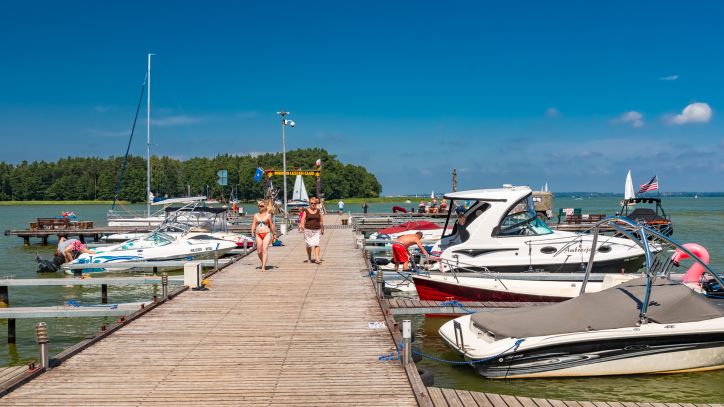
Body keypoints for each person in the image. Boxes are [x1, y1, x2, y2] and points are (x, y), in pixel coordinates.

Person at [251, 200, 276, 271]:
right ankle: (263, 262)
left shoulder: (268, 215)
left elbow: (271, 225)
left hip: (266, 233)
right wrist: (252, 231)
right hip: (258, 234)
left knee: (264, 249)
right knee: (259, 251)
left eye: (261, 206)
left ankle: (263, 267)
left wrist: (274, 234)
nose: (260, 207)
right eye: (259, 206)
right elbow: (253, 224)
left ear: (265, 207)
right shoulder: (256, 215)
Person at [300, 197, 325, 263]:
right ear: (309, 203)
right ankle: (309, 258)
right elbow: (302, 219)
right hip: (308, 230)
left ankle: (317, 258)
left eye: (314, 203)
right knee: (309, 245)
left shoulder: (319, 211)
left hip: (317, 230)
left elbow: (321, 221)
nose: (313, 204)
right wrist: (302, 226)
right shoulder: (306, 211)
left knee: (317, 244)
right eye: (311, 203)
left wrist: (322, 229)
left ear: (316, 204)